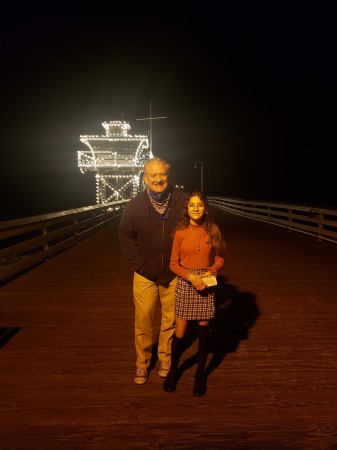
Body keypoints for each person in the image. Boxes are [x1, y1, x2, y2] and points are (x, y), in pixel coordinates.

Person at [118, 157, 188, 385]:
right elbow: (125, 234)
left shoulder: (181, 200)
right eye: (153, 175)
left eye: (163, 175)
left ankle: (165, 358)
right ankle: (142, 363)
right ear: (145, 178)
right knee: (144, 319)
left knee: (170, 319)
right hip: (144, 274)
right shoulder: (136, 204)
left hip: (174, 272)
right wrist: (139, 263)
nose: (159, 179)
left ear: (168, 175)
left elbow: (195, 227)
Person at [163, 190, 226, 396]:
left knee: (203, 331)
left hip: (207, 282)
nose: (196, 208)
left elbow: (219, 258)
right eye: (192, 205)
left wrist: (212, 271)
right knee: (180, 332)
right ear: (187, 209)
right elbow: (173, 264)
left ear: (205, 207)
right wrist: (190, 277)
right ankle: (174, 370)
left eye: (199, 205)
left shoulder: (213, 230)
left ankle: (200, 374)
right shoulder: (180, 233)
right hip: (186, 280)